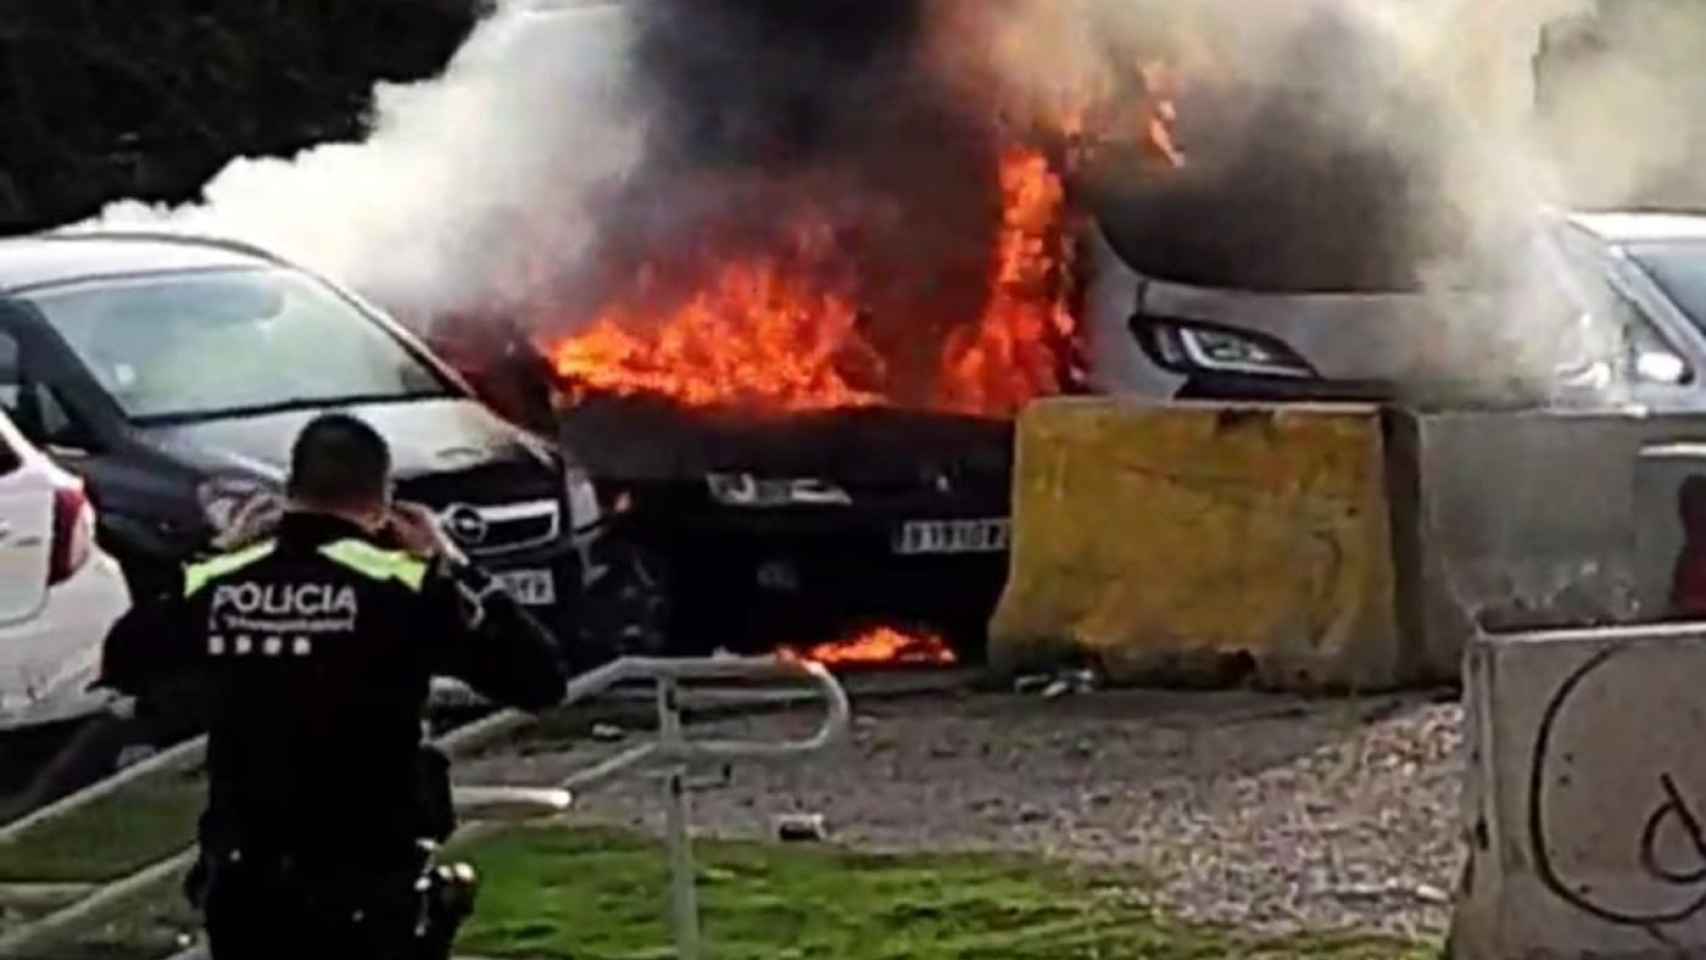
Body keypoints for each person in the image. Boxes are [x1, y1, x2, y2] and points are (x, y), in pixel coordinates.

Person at [96, 412, 567, 959]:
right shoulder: (404, 585)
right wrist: (455, 564)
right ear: (383, 498)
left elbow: (125, 660)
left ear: (290, 490)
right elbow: (539, 680)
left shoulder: (220, 582)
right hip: (367, 882)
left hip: (245, 882)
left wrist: (221, 555)